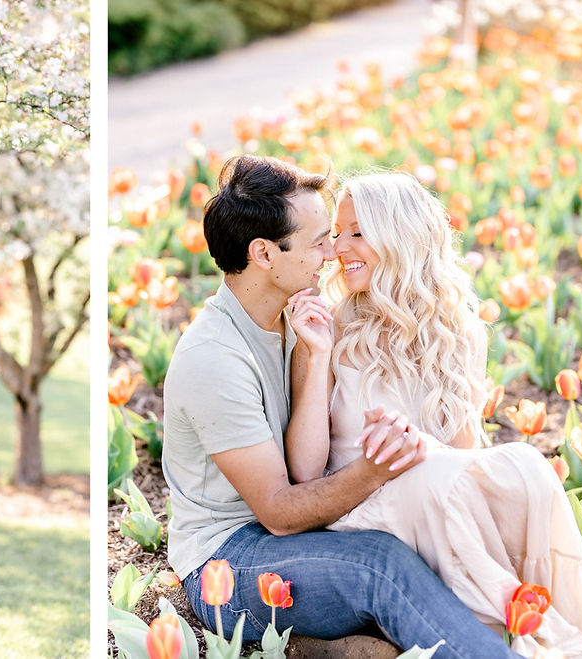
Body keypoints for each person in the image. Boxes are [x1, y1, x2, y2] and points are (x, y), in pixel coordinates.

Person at [162, 154, 520, 657]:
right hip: (231, 554)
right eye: (318, 241)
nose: (332, 253)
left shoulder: (301, 317)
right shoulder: (213, 359)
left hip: (313, 531)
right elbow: (281, 515)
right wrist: (377, 469)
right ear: (265, 254)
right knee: (379, 565)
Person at [304, 170, 582, 657]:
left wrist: (426, 450)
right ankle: (512, 623)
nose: (339, 248)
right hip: (361, 507)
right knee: (439, 480)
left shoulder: (455, 328)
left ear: (400, 237)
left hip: (436, 492)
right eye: (338, 234)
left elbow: (465, 453)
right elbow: (306, 470)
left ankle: (537, 619)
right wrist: (316, 359)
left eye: (357, 232)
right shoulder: (329, 326)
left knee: (525, 463)